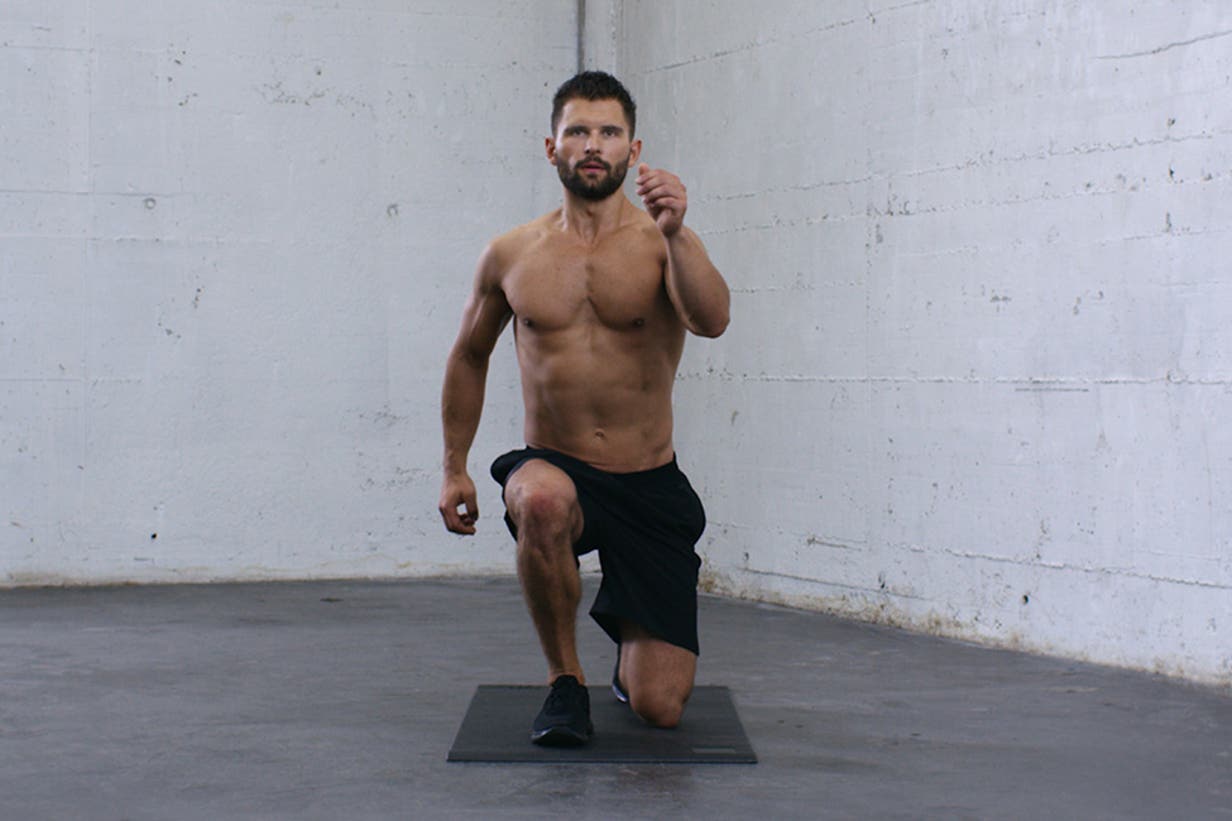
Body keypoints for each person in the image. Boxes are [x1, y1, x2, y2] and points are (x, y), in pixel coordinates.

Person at [438, 71, 730, 747]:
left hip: (647, 480)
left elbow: (712, 320)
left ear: (634, 148)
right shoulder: (511, 254)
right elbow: (469, 355)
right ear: (551, 147)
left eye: (608, 132)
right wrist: (454, 465)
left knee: (660, 706)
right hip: (555, 464)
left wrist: (679, 232)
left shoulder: (663, 243)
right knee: (538, 499)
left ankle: (631, 655)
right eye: (577, 131)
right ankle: (564, 682)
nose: (592, 144)